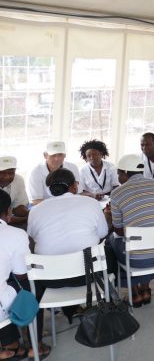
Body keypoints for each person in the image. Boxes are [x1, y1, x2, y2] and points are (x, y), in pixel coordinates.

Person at [27, 169, 109, 327]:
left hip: (51, 280)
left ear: (49, 189)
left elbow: (34, 239)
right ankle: (108, 303)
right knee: (108, 253)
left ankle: (70, 309)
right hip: (89, 276)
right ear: (74, 186)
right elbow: (103, 233)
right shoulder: (90, 203)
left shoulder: (35, 211)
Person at [109, 154, 154, 307]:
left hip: (140, 259)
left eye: (118, 173)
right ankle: (145, 288)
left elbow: (119, 230)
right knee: (148, 236)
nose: (118, 177)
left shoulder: (116, 194)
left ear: (124, 173)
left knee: (112, 242)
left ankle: (134, 292)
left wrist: (109, 215)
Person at [0, 189, 46, 360]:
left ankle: (11, 344)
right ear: (7, 212)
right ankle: (35, 345)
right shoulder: (15, 234)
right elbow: (21, 275)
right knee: (34, 287)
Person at [28, 140, 82, 204]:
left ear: (65, 155)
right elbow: (36, 200)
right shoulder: (35, 172)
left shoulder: (72, 167)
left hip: (70, 203)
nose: (57, 159)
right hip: (46, 206)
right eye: (53, 155)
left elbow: (78, 192)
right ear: (45, 155)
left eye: (60, 155)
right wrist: (57, 206)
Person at [0, 156, 30, 225]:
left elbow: (18, 206)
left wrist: (30, 214)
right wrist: (27, 218)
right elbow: (3, 219)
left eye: (11, 173)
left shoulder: (18, 180)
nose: (7, 177)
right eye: (2, 173)